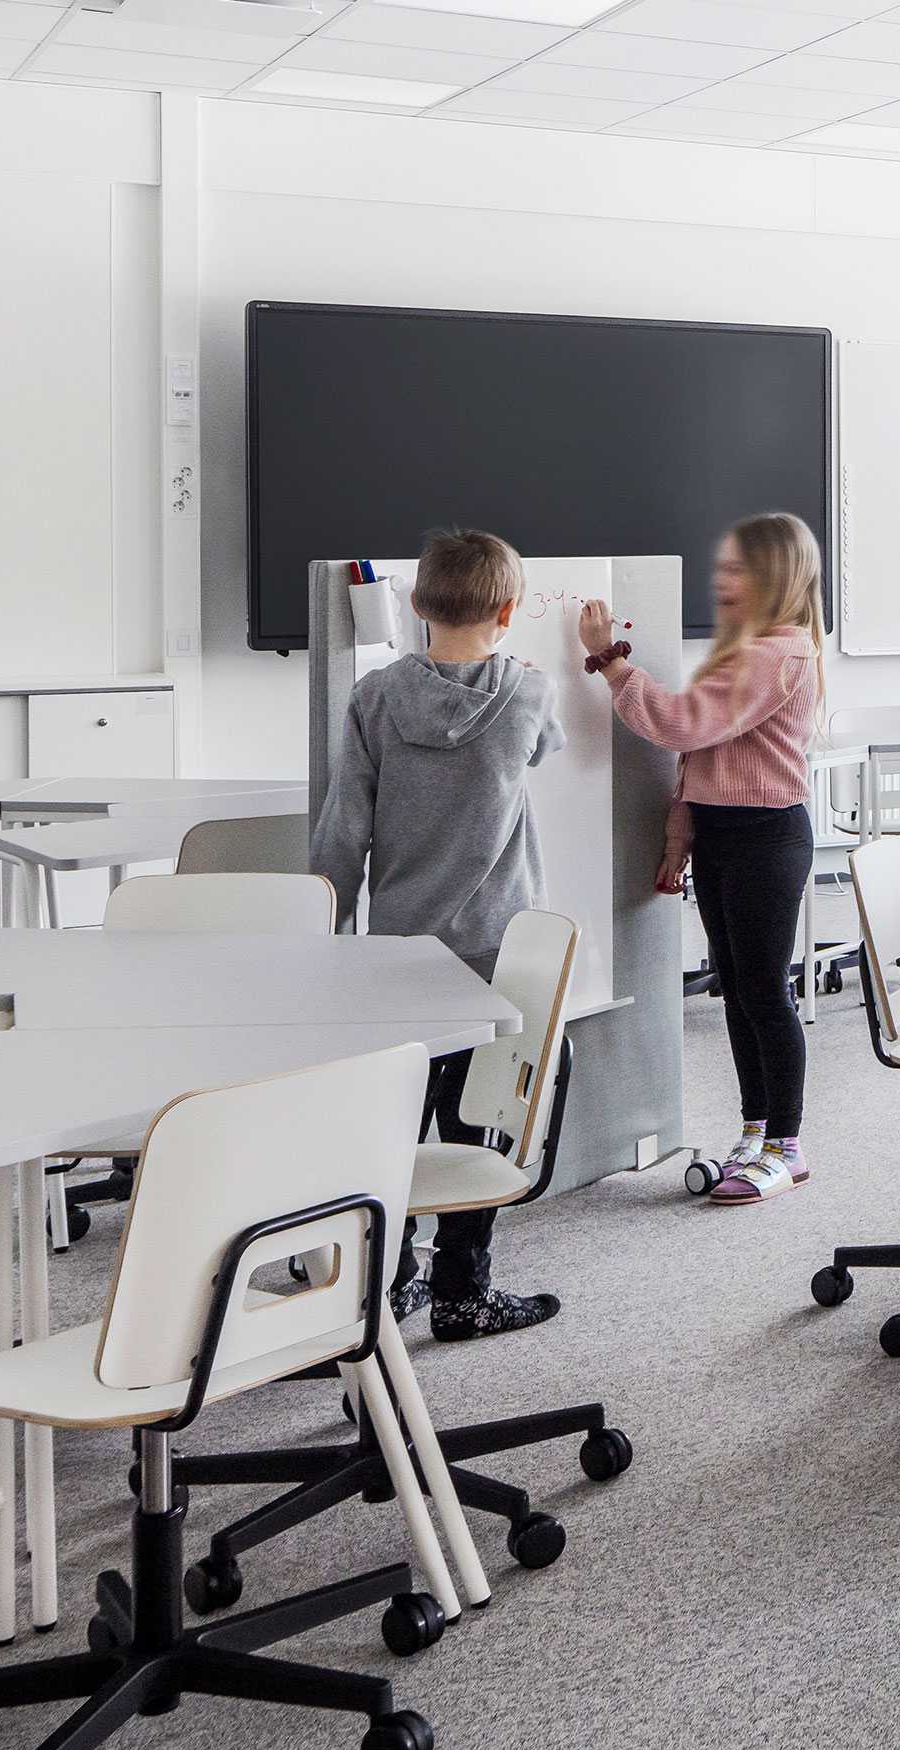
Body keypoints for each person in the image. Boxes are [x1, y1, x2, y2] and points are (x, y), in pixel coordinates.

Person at [313, 528, 565, 1338]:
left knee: (397, 1119)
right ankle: (466, 1288)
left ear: (417, 605)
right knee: (477, 1121)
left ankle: (390, 1281)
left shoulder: (378, 697)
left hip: (399, 953)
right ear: (509, 609)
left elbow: (343, 830)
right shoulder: (527, 694)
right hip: (496, 950)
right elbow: (548, 751)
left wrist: (325, 932)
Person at [578, 511, 828, 1205]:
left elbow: (679, 725)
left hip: (765, 837)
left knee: (765, 994)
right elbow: (701, 758)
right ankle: (756, 1130)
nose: (721, 580)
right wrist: (679, 841)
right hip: (725, 835)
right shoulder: (745, 653)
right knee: (739, 992)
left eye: (737, 568)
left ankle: (787, 1145)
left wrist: (612, 661)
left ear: (776, 578)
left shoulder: (778, 655)